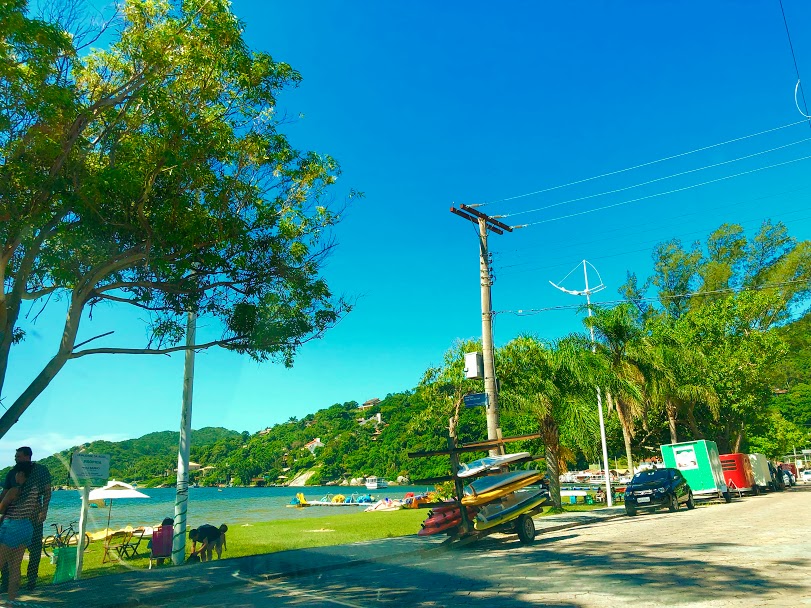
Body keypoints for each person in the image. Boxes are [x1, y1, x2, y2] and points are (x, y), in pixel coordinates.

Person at [0, 447, 51, 593]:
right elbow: (4, 493)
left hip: (33, 518)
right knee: (6, 552)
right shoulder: (12, 472)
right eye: (15, 456)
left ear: (28, 457)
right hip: (11, 519)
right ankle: (5, 583)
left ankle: (31, 581)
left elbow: (47, 491)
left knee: (34, 551)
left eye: (19, 456)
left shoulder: (40, 470)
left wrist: (44, 510)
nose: (16, 458)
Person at [0, 462, 35, 601]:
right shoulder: (33, 491)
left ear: (20, 475)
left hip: (12, 526)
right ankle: (11, 601)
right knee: (15, 566)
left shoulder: (15, 490)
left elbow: (1, 508)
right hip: (26, 527)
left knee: (1, 562)